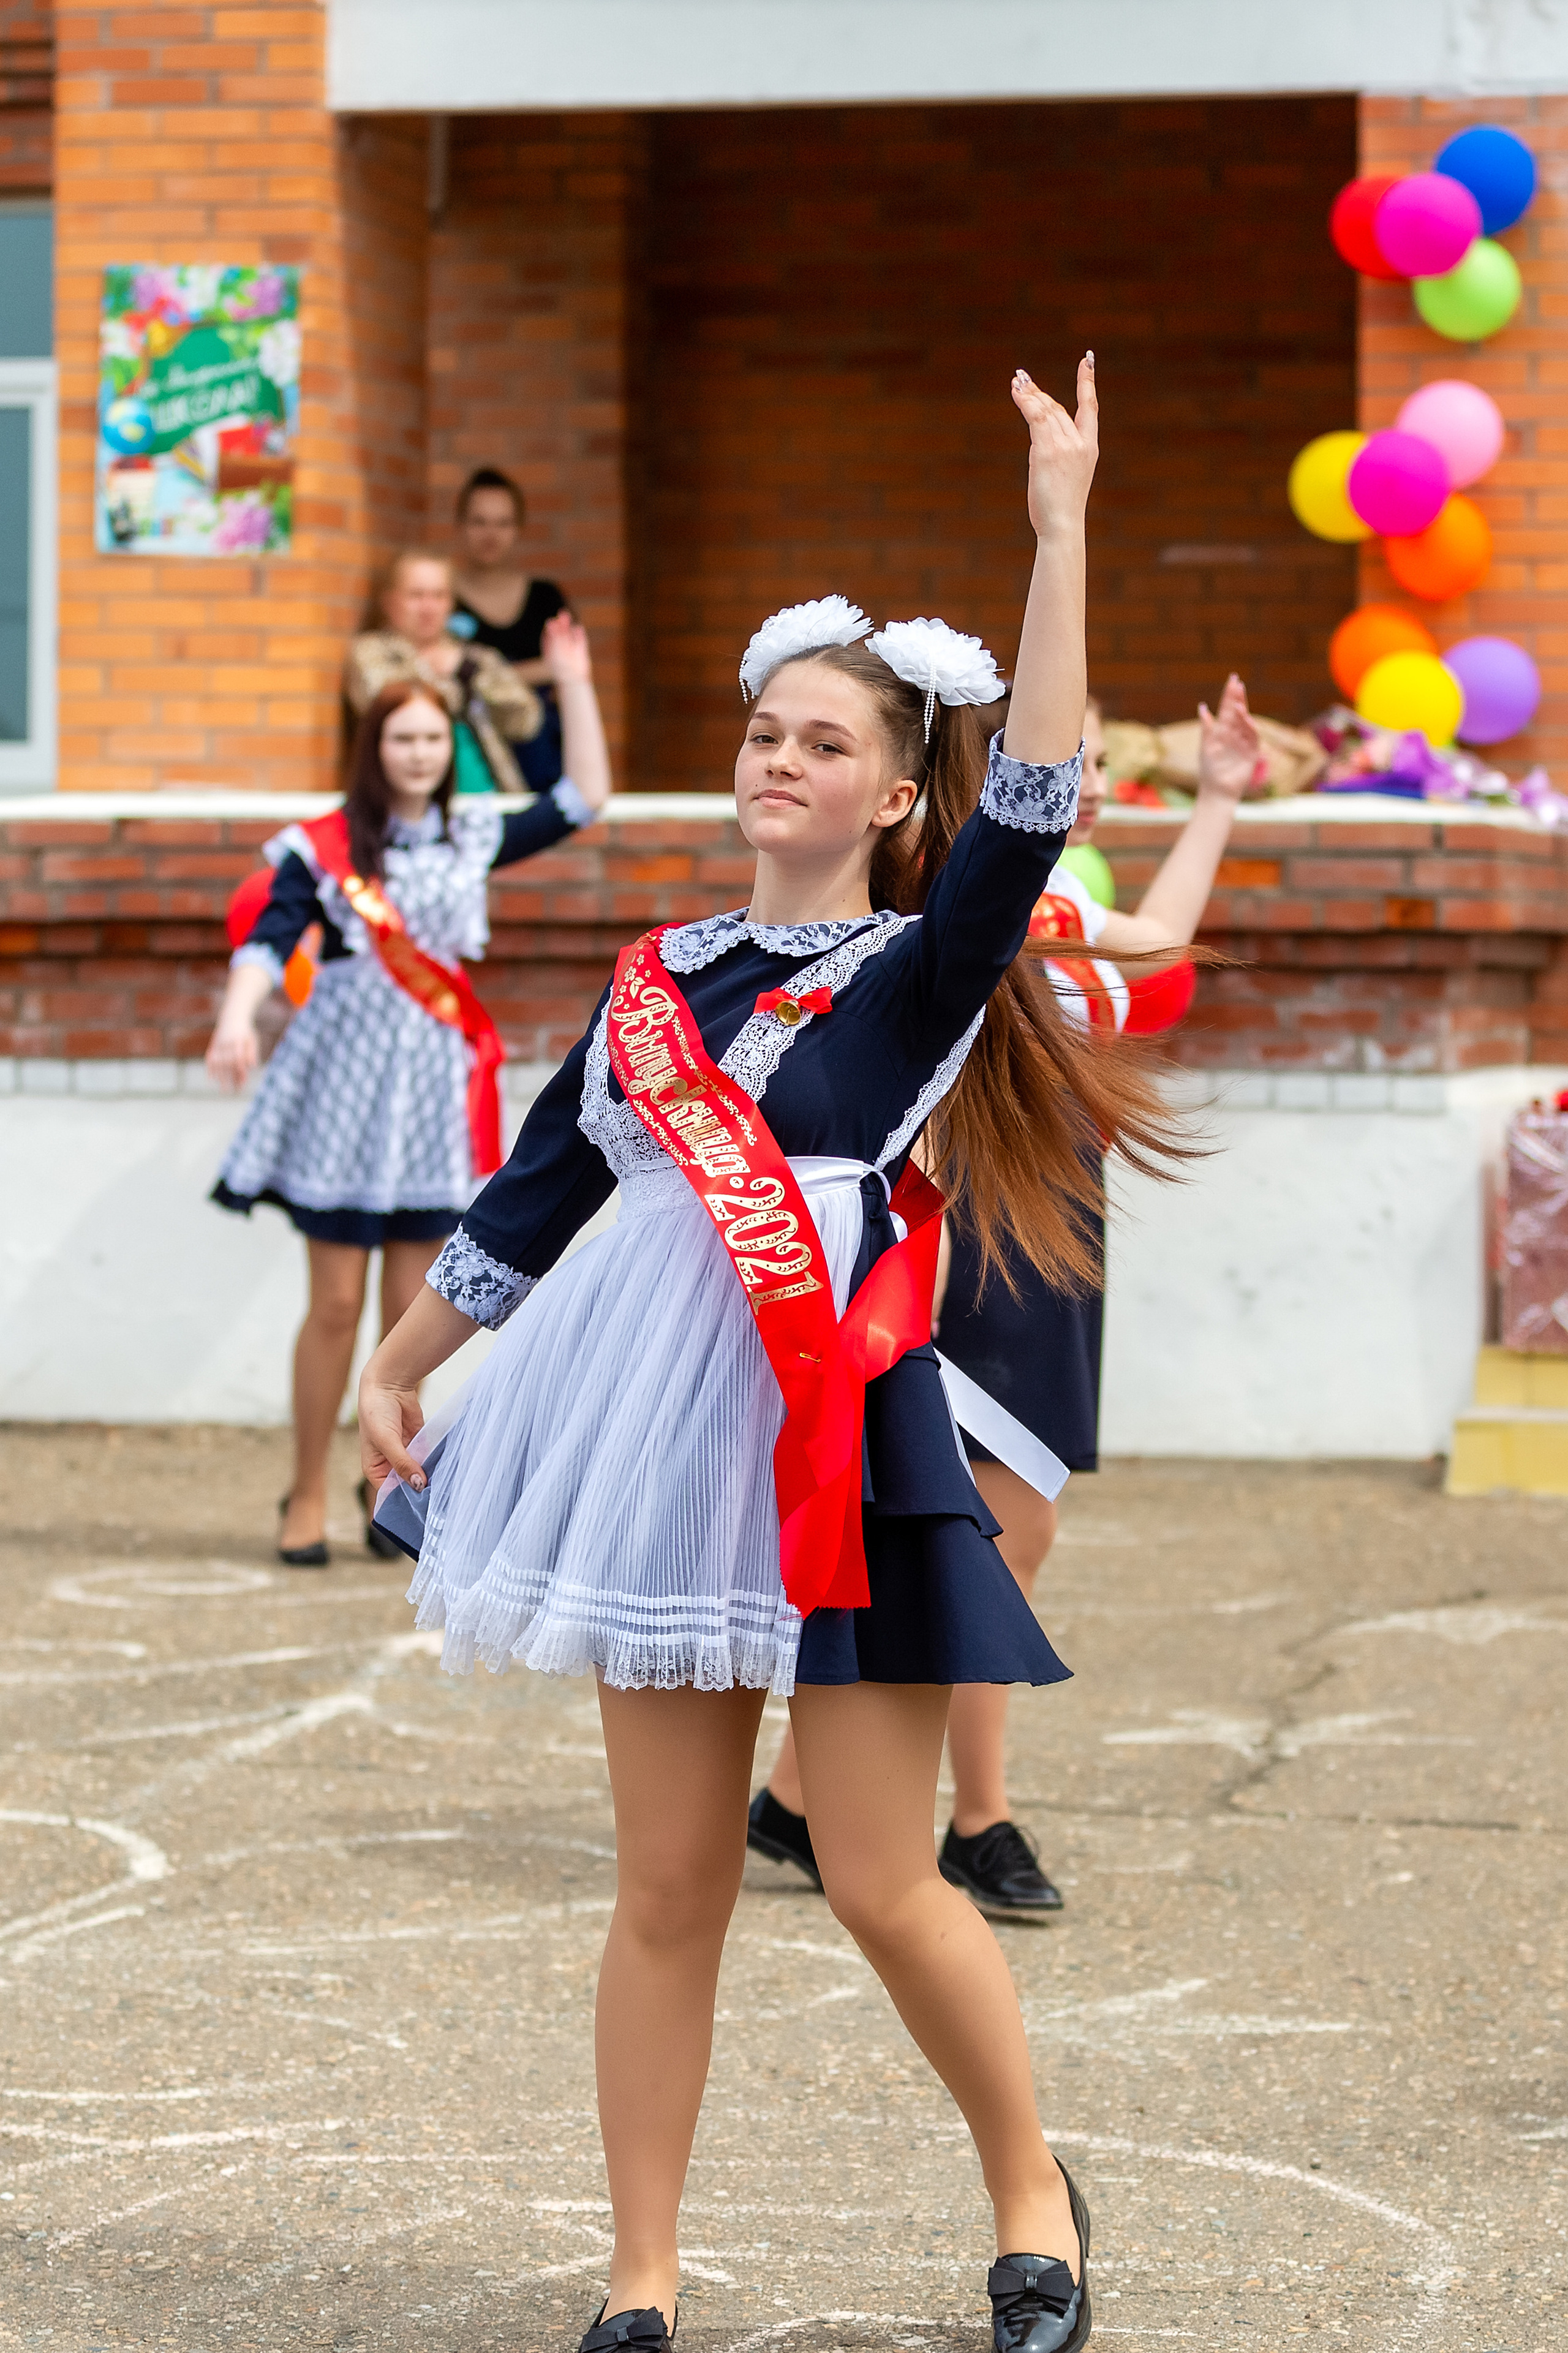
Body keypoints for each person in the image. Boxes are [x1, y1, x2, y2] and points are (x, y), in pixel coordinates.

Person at [358, 357, 1183, 2353]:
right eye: (764, 731)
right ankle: (638, 2282)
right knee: (668, 1893)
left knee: (892, 1882)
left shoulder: (917, 979)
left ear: (896, 794)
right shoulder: (655, 981)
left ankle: (1030, 2192)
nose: (781, 758)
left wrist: (1061, 528)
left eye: (828, 742)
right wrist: (402, 1368)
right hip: (655, 1460)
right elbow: (536, 1202)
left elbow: (1041, 811)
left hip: (834, 1453)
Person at [750, 678, 1258, 1916]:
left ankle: (802, 1797)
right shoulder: (940, 906)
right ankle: (971, 1817)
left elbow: (1160, 948)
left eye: (1081, 748)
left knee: (997, 1534)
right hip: (952, 1233)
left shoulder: (1064, 899)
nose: (1080, 768)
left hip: (1045, 1231)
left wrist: (1219, 802)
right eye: (1057, 749)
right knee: (980, 1538)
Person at [208, 613, 611, 1568]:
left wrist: (571, 682)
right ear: (375, 746)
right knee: (337, 1306)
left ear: (450, 747)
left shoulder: (472, 830)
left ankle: (386, 1486)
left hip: (430, 1089)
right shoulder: (327, 846)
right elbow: (270, 939)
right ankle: (305, 1488)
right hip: (343, 1090)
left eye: (435, 738)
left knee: (408, 1313)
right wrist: (236, 1015)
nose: (421, 753)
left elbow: (583, 796)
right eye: (403, 738)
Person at [345, 548, 556, 795]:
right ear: (391, 602)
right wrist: (462, 683)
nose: (428, 607)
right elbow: (386, 703)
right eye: (416, 595)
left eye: (438, 596)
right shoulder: (371, 652)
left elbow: (526, 721)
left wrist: (472, 675)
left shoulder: (477, 658)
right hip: (403, 804)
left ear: (451, 603)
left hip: (487, 800)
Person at [449, 466, 569, 686]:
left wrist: (482, 679)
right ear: (460, 525)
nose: (491, 535)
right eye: (479, 522)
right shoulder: (443, 599)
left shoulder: (545, 599)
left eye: (503, 523)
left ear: (518, 529)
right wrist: (537, 670)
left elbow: (570, 667)